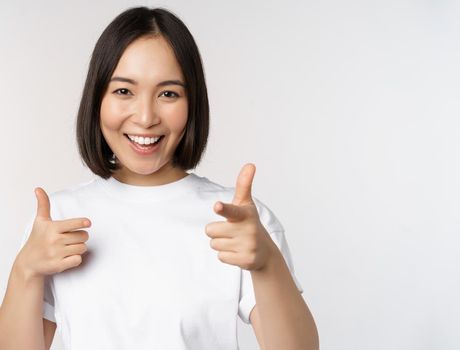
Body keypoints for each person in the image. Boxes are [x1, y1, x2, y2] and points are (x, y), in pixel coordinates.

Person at [0, 6, 319, 350]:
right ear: (97, 100)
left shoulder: (237, 219)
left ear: (192, 104)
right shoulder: (58, 220)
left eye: (168, 93)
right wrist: (25, 271)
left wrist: (268, 263)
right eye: (124, 91)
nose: (146, 116)